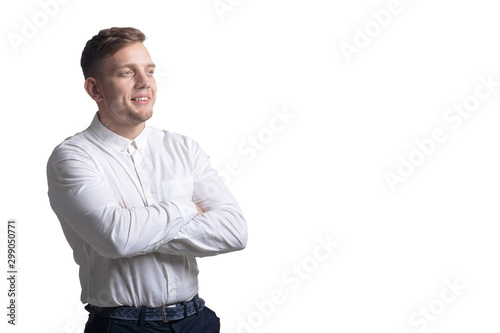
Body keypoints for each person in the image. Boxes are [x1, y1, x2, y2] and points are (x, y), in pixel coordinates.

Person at [46, 27, 248, 333]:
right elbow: (117, 238)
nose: (145, 82)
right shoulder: (72, 158)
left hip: (198, 321)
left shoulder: (183, 148)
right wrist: (187, 208)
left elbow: (234, 232)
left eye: (149, 70)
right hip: (122, 326)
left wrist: (138, 229)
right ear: (95, 89)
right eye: (127, 72)